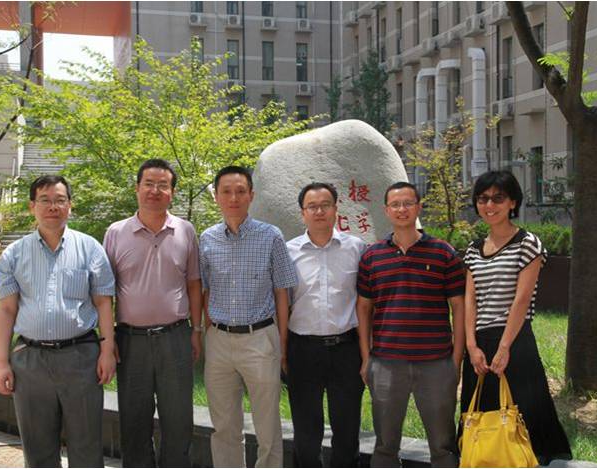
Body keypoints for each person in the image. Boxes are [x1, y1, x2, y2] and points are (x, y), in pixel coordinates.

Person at [0, 175, 116, 467]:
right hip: (30, 361)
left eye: (60, 200)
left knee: (87, 445)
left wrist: (107, 352)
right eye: (45, 200)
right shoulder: (13, 254)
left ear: (70, 205)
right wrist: (1, 363)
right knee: (37, 448)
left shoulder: (90, 248)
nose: (53, 207)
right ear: (32, 206)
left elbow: (103, 302)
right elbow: (7, 310)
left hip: (81, 357)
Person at [459, 170, 572, 465]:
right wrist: (471, 345)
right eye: (483, 199)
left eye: (498, 198)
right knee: (480, 417)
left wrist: (505, 346)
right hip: (479, 343)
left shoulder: (527, 243)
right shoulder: (473, 249)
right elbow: (470, 299)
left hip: (515, 341)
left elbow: (521, 300)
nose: (489, 205)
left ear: (513, 202)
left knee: (524, 416)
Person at [357, 181, 465, 468]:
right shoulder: (372, 256)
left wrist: (456, 359)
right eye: (395, 204)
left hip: (436, 363)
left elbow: (459, 307)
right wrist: (366, 358)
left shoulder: (443, 253)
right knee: (385, 445)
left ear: (418, 207)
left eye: (407, 203)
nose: (401, 209)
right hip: (386, 363)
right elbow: (363, 308)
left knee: (443, 445)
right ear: (386, 210)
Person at [103, 159, 202, 467]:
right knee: (134, 421)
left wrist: (196, 330)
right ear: (137, 188)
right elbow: (104, 293)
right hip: (130, 341)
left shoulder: (185, 231)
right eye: (148, 184)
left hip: (176, 336)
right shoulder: (116, 232)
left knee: (179, 420)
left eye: (163, 185)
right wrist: (107, 340)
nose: (154, 191)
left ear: (172, 192)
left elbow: (194, 284)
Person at [199, 165, 298, 468]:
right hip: (219, 340)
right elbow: (204, 290)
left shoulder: (271, 236)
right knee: (224, 425)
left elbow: (282, 292)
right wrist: (206, 332)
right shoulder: (207, 238)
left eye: (240, 191)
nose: (234, 198)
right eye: (226, 191)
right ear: (216, 196)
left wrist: (281, 343)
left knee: (267, 424)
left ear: (251, 195)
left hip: (260, 338)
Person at [285, 182, 367, 467]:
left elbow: (365, 303)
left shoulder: (356, 248)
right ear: (302, 213)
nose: (319, 211)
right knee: (306, 433)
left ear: (336, 209)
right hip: (302, 349)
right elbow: (283, 303)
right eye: (312, 207)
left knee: (347, 430)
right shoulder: (288, 251)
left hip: (346, 349)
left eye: (325, 205)